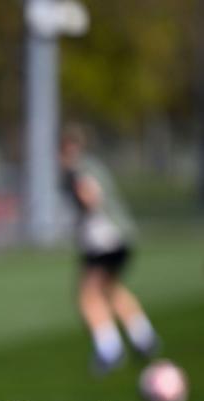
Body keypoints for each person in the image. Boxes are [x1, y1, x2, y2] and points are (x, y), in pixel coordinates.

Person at [59, 123, 160, 375]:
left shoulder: (79, 170)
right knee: (111, 289)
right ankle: (144, 337)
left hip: (105, 240)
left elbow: (91, 197)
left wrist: (79, 200)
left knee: (88, 295)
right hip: (119, 237)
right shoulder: (92, 165)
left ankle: (109, 349)